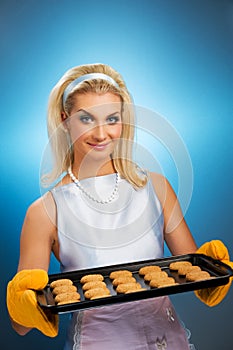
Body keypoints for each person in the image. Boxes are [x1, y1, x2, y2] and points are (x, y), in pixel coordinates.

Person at [6, 63, 233, 350]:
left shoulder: (157, 188)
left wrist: (214, 270)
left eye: (111, 119)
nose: (101, 134)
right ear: (65, 120)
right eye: (86, 119)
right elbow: (21, 326)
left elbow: (192, 273)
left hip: (169, 341)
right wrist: (21, 305)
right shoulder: (44, 212)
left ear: (123, 121)